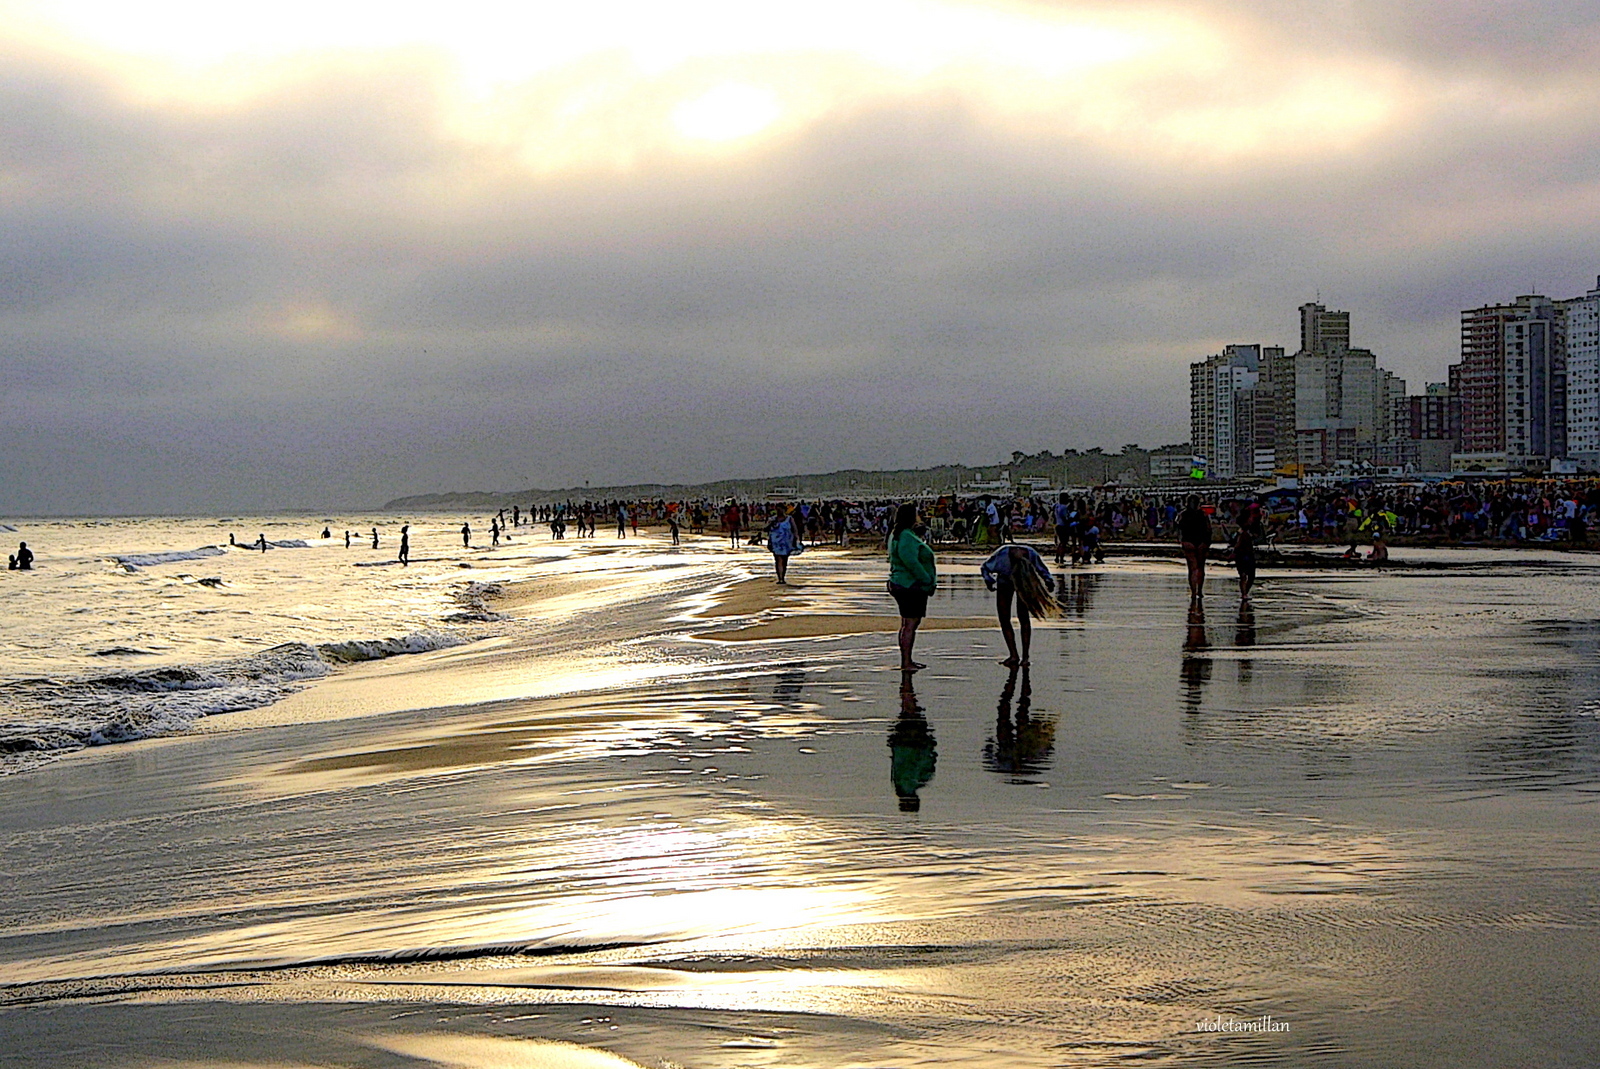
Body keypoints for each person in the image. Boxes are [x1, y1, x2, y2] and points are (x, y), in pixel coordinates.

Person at [980, 543, 1056, 667]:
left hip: (1024, 581)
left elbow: (1042, 570)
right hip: (1005, 581)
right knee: (1005, 618)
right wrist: (989, 581)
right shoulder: (1003, 555)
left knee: (1023, 617)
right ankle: (1015, 655)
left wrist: (1048, 580)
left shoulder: (1031, 554)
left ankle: (1024, 656)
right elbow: (985, 569)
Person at [887, 502, 937, 673]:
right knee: (910, 624)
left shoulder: (897, 534)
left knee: (906, 623)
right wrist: (926, 580)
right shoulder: (906, 536)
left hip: (902, 582)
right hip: (909, 585)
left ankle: (907, 660)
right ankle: (906, 661)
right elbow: (911, 561)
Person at [888, 675, 937, 812]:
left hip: (913, 743)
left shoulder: (917, 781)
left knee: (910, 711)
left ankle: (907, 681)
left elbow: (926, 760)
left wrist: (929, 744)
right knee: (908, 711)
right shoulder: (901, 784)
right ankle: (906, 683)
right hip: (905, 744)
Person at [1177, 494, 1212, 602]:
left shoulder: (1183, 514)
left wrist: (1182, 541)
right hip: (1201, 542)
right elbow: (1208, 529)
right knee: (1201, 567)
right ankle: (1200, 591)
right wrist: (1207, 542)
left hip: (1188, 542)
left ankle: (1193, 592)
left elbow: (1179, 529)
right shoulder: (1203, 515)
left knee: (1192, 568)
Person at [1232, 500, 1261, 601]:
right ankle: (1244, 593)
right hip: (1245, 554)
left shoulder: (1245, 531)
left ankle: (1244, 593)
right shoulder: (1244, 532)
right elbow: (1239, 544)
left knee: (1244, 576)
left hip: (1243, 554)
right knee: (1248, 576)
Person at [767, 506, 803, 585]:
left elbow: (795, 530)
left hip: (786, 543)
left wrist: (797, 540)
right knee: (778, 560)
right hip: (776, 543)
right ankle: (780, 578)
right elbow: (768, 530)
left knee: (784, 560)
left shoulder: (789, 519)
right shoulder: (773, 519)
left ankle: (782, 577)